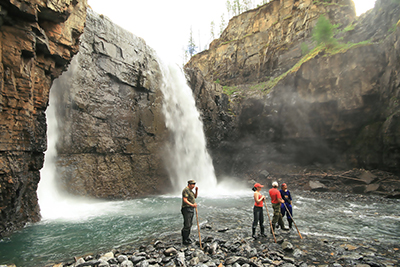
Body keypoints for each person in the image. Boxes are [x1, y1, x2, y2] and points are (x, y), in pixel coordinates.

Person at [181, 179, 198, 245]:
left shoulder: (191, 191)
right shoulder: (186, 190)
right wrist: (192, 205)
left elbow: (195, 197)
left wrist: (196, 191)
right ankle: (184, 240)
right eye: (192, 184)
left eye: (194, 184)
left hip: (191, 209)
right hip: (186, 209)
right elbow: (185, 200)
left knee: (190, 224)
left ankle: (187, 237)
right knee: (187, 224)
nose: (193, 186)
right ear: (189, 184)